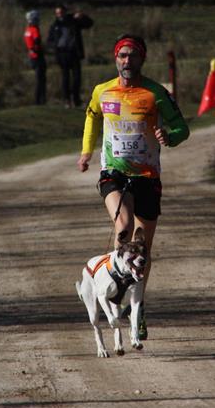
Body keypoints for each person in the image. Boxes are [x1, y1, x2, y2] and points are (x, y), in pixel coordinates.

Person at [76, 34, 190, 340]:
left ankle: (137, 310)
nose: (127, 61)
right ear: (116, 58)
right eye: (122, 56)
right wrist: (87, 151)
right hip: (113, 173)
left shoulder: (155, 93)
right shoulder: (102, 91)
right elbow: (92, 119)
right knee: (123, 226)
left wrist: (170, 136)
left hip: (148, 178)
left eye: (133, 56)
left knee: (143, 250)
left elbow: (182, 128)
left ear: (142, 58)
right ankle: (114, 292)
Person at [47, 4, 93, 108]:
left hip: (74, 53)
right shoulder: (55, 25)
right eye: (57, 13)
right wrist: (55, 47)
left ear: (65, 12)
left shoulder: (73, 21)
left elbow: (89, 24)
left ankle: (76, 100)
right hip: (62, 54)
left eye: (61, 12)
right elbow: (49, 41)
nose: (59, 15)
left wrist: (82, 16)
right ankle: (67, 100)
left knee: (77, 78)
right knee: (65, 78)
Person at [23, 10, 47, 105]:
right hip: (38, 57)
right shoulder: (34, 29)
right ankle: (40, 101)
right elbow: (37, 41)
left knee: (39, 79)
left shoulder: (27, 30)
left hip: (32, 57)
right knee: (41, 79)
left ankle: (38, 100)